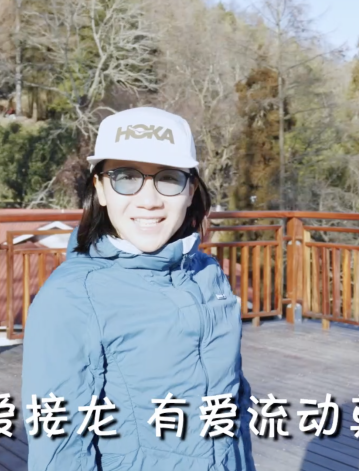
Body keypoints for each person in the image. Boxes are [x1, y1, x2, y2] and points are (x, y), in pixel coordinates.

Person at [21, 107, 256, 471]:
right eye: (126, 178)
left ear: (191, 190)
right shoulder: (70, 298)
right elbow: (60, 443)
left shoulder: (208, 276)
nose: (149, 200)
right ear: (100, 189)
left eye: (169, 178)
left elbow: (232, 407)